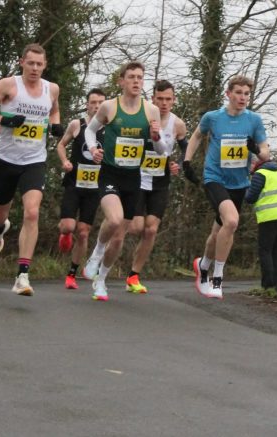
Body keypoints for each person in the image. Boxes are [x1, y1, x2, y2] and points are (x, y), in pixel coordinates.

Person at [0, 43, 62, 296]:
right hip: (7, 160)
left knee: (32, 213)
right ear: (21, 62)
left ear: (44, 66)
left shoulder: (51, 88)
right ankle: (0, 230)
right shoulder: (8, 85)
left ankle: (22, 275)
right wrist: (5, 120)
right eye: (30, 63)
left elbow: (54, 109)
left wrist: (56, 125)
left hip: (34, 160)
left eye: (39, 64)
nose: (34, 68)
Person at [81, 61, 165, 302]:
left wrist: (156, 137)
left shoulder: (151, 111)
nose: (136, 81)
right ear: (122, 81)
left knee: (119, 237)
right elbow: (90, 130)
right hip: (110, 173)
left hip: (133, 177)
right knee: (114, 219)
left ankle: (102, 280)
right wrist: (93, 147)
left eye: (140, 77)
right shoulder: (109, 106)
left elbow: (160, 150)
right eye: (131, 77)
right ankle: (96, 253)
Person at [182, 75, 272, 299]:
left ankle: (203, 264)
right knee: (231, 221)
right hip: (215, 178)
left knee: (218, 233)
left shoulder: (254, 120)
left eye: (246, 94)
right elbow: (196, 136)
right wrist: (186, 161)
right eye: (239, 92)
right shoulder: (213, 118)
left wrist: (257, 150)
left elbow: (265, 152)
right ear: (228, 94)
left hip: (239, 183)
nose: (243, 97)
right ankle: (217, 279)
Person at [124, 79, 186, 294]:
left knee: (151, 229)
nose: (164, 103)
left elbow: (183, 149)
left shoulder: (178, 124)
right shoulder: (142, 118)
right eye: (160, 99)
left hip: (160, 181)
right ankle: (109, 241)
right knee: (135, 228)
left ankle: (133, 275)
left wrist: (176, 164)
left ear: (174, 100)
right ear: (153, 99)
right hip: (137, 178)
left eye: (168, 99)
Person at [55, 88, 106, 290]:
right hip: (74, 184)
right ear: (87, 104)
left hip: (95, 188)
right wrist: (65, 161)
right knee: (68, 226)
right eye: (93, 102)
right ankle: (66, 234)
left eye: (101, 102)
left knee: (84, 233)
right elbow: (61, 145)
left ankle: (72, 273)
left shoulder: (109, 128)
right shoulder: (78, 124)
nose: (97, 106)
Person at [244, 158, 277, 297]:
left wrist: (246, 186)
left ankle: (267, 286)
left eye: (251, 163)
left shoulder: (261, 174)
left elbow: (250, 198)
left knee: (265, 251)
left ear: (257, 163)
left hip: (269, 216)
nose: (250, 167)